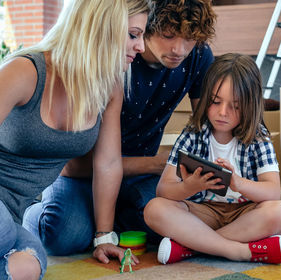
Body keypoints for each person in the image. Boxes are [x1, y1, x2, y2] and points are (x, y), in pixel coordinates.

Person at [0, 0, 146, 278]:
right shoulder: (26, 71)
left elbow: (107, 163)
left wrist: (104, 236)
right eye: (133, 35)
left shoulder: (108, 88)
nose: (141, 47)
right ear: (99, 28)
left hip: (7, 214)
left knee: (30, 263)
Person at [23, 0, 217, 256]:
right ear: (146, 25)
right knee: (64, 236)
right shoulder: (115, 56)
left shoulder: (198, 56)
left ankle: (109, 215)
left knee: (175, 222)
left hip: (137, 173)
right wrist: (158, 164)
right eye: (169, 36)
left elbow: (210, 126)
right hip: (82, 171)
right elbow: (73, 165)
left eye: (190, 40)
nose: (179, 50)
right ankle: (35, 210)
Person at [142, 53, 281, 265]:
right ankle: (240, 251)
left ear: (250, 105)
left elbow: (273, 191)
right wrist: (189, 186)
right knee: (154, 209)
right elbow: (164, 190)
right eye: (215, 102)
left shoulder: (258, 137)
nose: (222, 112)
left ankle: (192, 247)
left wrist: (238, 183)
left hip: (245, 215)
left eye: (235, 105)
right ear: (206, 98)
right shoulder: (193, 134)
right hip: (201, 212)